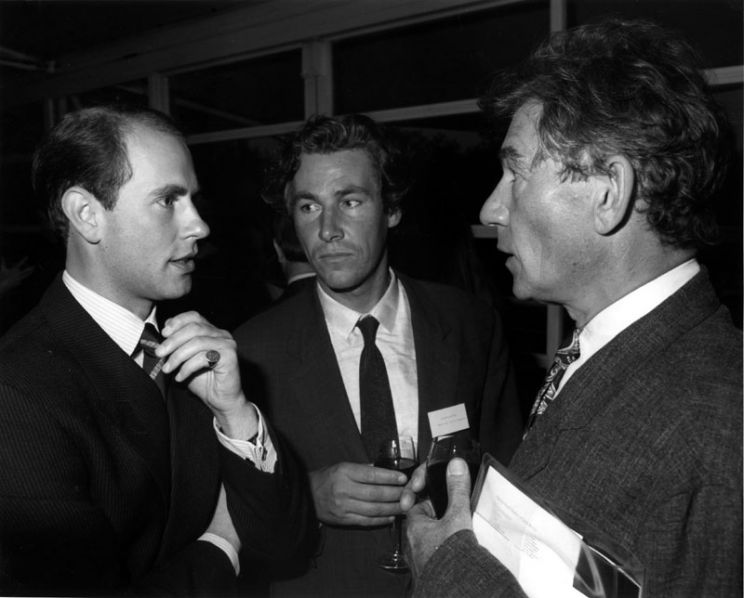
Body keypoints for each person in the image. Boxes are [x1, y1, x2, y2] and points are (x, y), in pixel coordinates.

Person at [403, 18, 742, 598]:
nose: (490, 209)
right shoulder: (624, 350)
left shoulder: (712, 422)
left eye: (515, 171)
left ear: (608, 192)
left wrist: (447, 565)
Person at [0, 105, 313, 596]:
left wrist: (235, 414)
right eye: (168, 200)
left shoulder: (198, 347)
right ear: (86, 214)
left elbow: (285, 544)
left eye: (193, 200)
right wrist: (221, 545)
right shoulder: (17, 391)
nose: (199, 226)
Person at [234, 113, 523, 596]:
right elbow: (227, 510)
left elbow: (508, 471)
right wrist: (305, 496)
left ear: (391, 210)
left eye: (350, 201)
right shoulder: (252, 350)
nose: (328, 229)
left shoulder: (469, 323)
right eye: (308, 206)